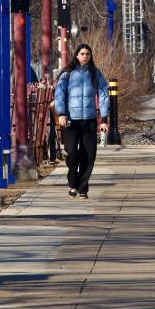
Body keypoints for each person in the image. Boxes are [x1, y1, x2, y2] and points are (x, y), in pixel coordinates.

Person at [54, 43, 109, 199]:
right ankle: (73, 183)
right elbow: (59, 94)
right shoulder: (67, 73)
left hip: (89, 121)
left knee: (89, 156)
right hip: (71, 121)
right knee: (71, 154)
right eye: (82, 53)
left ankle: (82, 188)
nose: (85, 56)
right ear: (77, 55)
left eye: (88, 54)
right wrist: (62, 113)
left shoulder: (95, 73)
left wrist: (104, 119)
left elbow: (104, 95)